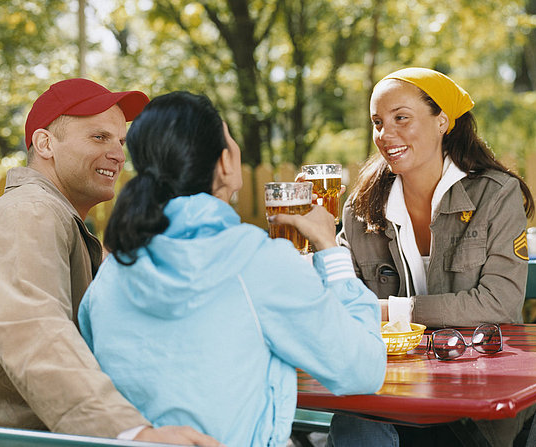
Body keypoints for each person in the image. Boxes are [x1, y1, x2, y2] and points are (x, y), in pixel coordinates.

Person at [77, 91, 397, 447]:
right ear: (225, 163)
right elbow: (362, 371)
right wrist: (329, 248)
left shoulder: (112, 273)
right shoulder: (257, 261)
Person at [0, 78, 219, 446]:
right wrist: (128, 433)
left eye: (121, 141)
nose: (119, 154)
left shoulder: (64, 222)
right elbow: (34, 331)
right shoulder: (30, 212)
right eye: (99, 138)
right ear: (45, 144)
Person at [328, 67, 536, 447]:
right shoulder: (361, 206)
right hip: (388, 386)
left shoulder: (496, 195)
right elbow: (339, 300)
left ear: (443, 121)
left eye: (401, 118)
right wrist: (315, 244)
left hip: (476, 388)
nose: (384, 135)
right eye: (377, 122)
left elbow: (499, 304)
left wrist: (393, 311)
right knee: (354, 426)